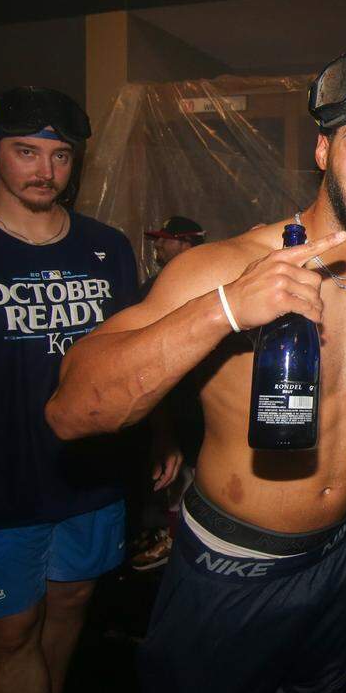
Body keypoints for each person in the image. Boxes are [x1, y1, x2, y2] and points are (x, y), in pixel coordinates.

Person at [44, 49, 346, 693]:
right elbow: (73, 409)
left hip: (341, 554)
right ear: (322, 150)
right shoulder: (222, 266)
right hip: (233, 565)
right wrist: (227, 308)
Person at [0, 87, 146, 693]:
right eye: (26, 152)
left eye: (60, 156)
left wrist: (161, 433)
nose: (45, 171)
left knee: (70, 605)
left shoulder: (107, 248)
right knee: (12, 633)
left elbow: (134, 351)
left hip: (89, 477)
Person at [129, 215, 209, 571]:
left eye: (165, 239)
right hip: (170, 397)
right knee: (175, 473)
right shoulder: (156, 286)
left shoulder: (213, 279)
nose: (158, 246)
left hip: (200, 400)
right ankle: (175, 538)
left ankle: (185, 543)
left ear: (185, 243)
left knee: (195, 471)